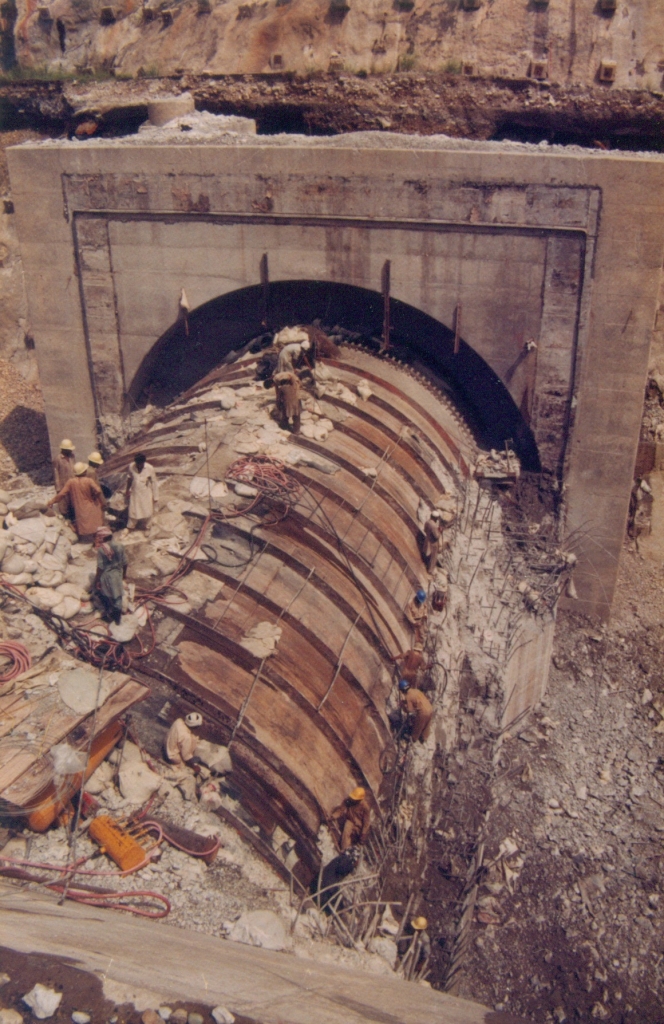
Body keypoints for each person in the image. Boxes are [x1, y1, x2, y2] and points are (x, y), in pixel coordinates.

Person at [47, 461, 105, 541]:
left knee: (82, 522)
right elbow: (98, 490)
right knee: (97, 518)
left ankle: (80, 535)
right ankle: (97, 537)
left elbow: (61, 494)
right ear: (84, 471)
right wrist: (95, 497)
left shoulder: (71, 482)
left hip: (80, 508)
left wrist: (51, 501)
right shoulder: (89, 480)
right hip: (90, 505)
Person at [94, 526, 127, 625]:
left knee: (105, 594)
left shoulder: (102, 550)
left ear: (102, 537)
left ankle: (109, 615)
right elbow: (125, 563)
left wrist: (97, 580)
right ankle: (118, 619)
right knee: (118, 597)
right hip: (117, 574)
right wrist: (124, 575)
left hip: (107, 576)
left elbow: (100, 567)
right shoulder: (120, 546)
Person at [330, 787, 371, 851]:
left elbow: (366, 822)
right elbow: (341, 810)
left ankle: (351, 847)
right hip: (350, 821)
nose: (353, 800)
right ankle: (344, 850)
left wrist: (363, 833)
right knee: (346, 832)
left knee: (354, 839)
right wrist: (333, 816)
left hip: (358, 826)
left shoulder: (365, 807)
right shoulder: (348, 801)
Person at [126, 452, 158, 530]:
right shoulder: (131, 466)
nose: (139, 466)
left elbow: (154, 482)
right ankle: (130, 527)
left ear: (144, 462)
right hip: (135, 493)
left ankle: (148, 527)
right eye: (137, 464)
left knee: (148, 511)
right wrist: (127, 490)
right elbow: (129, 479)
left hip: (146, 493)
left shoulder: (150, 468)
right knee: (133, 511)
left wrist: (155, 496)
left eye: (140, 464)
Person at [52, 439, 76, 517]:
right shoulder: (58, 459)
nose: (70, 451)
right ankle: (65, 516)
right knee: (63, 501)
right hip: (63, 483)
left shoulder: (72, 456)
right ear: (64, 449)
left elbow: (74, 468)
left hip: (72, 481)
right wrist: (58, 487)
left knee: (73, 500)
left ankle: (73, 516)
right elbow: (56, 474)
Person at [421, 509, 443, 573]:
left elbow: (425, 530)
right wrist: (440, 531)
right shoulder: (434, 526)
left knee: (427, 553)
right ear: (435, 518)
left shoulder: (427, 522)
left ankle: (426, 565)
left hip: (427, 540)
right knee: (433, 557)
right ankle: (430, 570)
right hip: (433, 543)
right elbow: (436, 536)